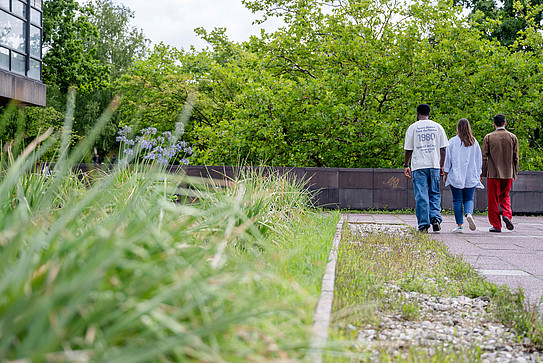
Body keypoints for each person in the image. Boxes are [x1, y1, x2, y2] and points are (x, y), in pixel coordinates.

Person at [404, 104, 449, 233]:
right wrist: (441, 165)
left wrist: (406, 165)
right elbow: (443, 148)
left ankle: (423, 224)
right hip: (434, 164)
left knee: (421, 194)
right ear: (429, 113)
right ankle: (435, 218)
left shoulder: (413, 127)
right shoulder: (437, 127)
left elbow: (408, 149)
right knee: (434, 193)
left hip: (418, 166)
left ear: (418, 114)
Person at [443, 118, 484, 233]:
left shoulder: (452, 142)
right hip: (471, 175)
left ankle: (459, 226)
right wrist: (479, 173)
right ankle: (469, 213)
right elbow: (478, 160)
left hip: (456, 175)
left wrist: (446, 173)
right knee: (469, 199)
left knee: (457, 200)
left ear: (458, 128)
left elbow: (448, 160)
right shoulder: (474, 142)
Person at [481, 114, 519, 233]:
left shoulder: (489, 137)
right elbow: (516, 157)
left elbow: (484, 157)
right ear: (505, 123)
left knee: (493, 199)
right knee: (505, 196)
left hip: (493, 173)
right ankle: (507, 214)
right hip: (508, 173)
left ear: (494, 124)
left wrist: (483, 172)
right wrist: (514, 173)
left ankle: (496, 225)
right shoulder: (512, 137)